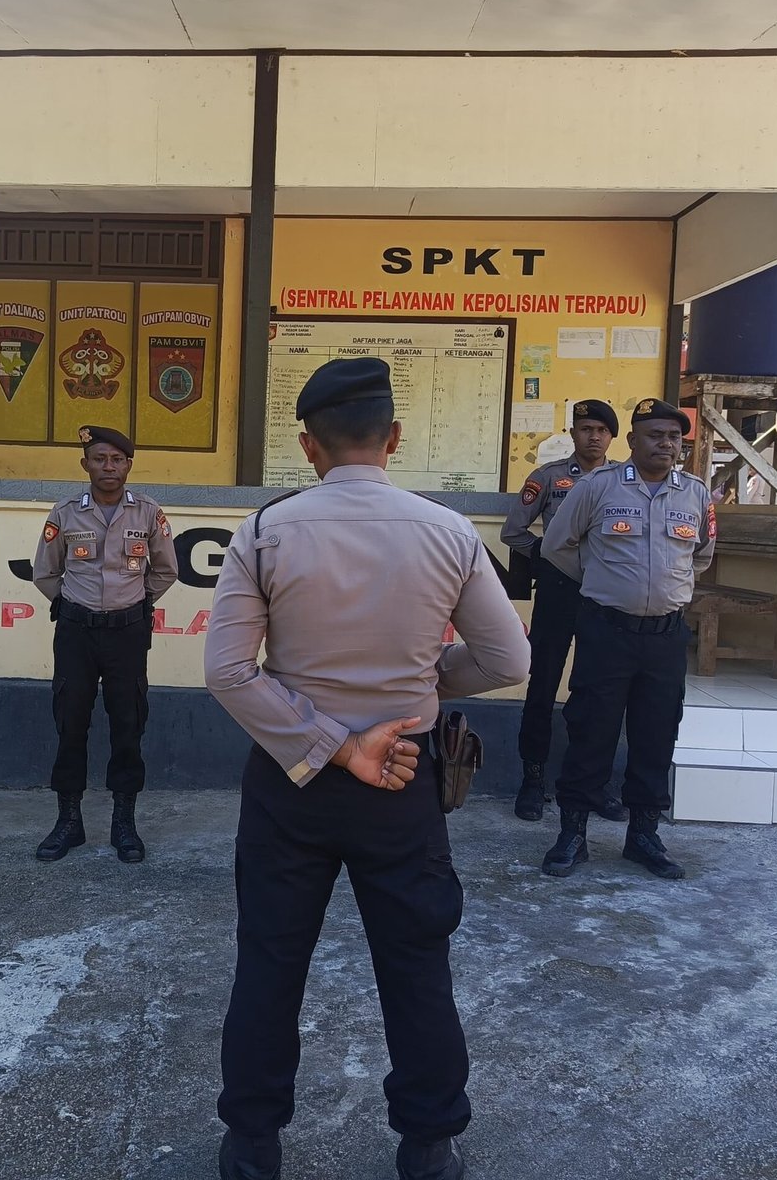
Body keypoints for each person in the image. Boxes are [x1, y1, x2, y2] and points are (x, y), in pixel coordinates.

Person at [204, 357, 531, 1180]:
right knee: (416, 966)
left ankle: (252, 1146)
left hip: (290, 785)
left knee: (270, 962)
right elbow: (507, 658)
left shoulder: (266, 531)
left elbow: (229, 672)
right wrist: (420, 687)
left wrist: (334, 745)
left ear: (308, 447)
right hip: (404, 776)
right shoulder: (448, 532)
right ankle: (428, 1146)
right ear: (393, 439)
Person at [538, 398, 715, 881]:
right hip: (607, 633)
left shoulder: (695, 494)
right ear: (633, 440)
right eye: (655, 435)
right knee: (590, 731)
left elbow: (701, 556)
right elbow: (556, 545)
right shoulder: (598, 487)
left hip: (665, 639)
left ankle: (643, 835)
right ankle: (572, 834)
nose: (666, 444)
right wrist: (601, 579)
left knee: (656, 735)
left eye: (675, 437)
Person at [30, 425, 179, 863]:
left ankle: (124, 822)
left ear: (128, 465)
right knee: (70, 722)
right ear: (85, 464)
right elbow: (45, 572)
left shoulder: (148, 513)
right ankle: (68, 821)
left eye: (116, 459)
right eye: (99, 459)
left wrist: (135, 602)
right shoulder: (65, 513)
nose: (108, 467)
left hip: (127, 633)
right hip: (76, 632)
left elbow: (166, 570)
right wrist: (72, 606)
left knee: (128, 724)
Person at [499, 399, 624, 823]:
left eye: (601, 431)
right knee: (543, 682)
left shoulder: (622, 480)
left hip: (605, 594)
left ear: (612, 437)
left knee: (598, 691)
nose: (594, 437)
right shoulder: (548, 477)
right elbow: (513, 531)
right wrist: (549, 557)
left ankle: (592, 784)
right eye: (586, 429)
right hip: (558, 590)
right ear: (573, 433)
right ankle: (532, 780)